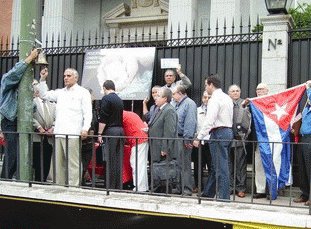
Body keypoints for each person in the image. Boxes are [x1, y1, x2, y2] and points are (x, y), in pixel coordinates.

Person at [37, 68, 92, 186]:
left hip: (73, 133)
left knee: (73, 163)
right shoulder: (60, 92)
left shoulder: (83, 92)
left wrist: (85, 128)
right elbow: (44, 95)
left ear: (76, 78)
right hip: (59, 132)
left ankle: (73, 188)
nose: (65, 78)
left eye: (69, 75)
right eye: (64, 76)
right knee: (58, 163)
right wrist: (43, 79)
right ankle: (59, 186)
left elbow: (88, 112)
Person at [0, 48, 39, 179]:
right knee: (12, 153)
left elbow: (31, 107)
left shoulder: (26, 89)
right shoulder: (7, 81)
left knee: (20, 153)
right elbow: (15, 74)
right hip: (10, 121)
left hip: (20, 122)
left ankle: (12, 178)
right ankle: (5, 179)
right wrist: (29, 59)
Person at [193, 75, 233, 200]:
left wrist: (199, 137)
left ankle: (223, 197)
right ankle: (208, 193)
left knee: (221, 167)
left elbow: (209, 120)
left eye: (206, 85)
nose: (206, 87)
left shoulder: (215, 99)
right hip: (227, 131)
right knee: (218, 165)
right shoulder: (227, 97)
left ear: (211, 85)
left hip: (218, 132)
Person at [242, 83, 270, 199]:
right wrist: (244, 105)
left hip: (269, 139)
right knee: (258, 166)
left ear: (267, 91)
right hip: (257, 140)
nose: (259, 91)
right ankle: (261, 190)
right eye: (257, 89)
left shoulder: (271, 102)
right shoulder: (252, 104)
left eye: (262, 89)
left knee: (271, 165)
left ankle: (271, 190)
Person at [148, 87, 179, 191]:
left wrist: (165, 148)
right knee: (159, 174)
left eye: (158, 96)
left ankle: (164, 194)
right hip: (155, 147)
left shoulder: (169, 110)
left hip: (162, 149)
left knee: (164, 176)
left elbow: (169, 132)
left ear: (165, 98)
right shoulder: (159, 109)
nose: (155, 98)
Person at [98, 80, 124, 190]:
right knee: (118, 160)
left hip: (111, 132)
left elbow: (103, 118)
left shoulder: (106, 98)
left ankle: (110, 186)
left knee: (109, 159)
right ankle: (118, 186)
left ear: (104, 88)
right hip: (120, 131)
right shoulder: (119, 99)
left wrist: (99, 133)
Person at [172, 85, 197, 196]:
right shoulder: (178, 104)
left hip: (184, 138)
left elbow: (190, 123)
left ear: (180, 93)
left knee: (185, 164)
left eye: (173, 94)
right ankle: (179, 187)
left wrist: (188, 139)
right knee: (178, 164)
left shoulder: (189, 104)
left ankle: (187, 189)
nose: (172, 96)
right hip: (178, 138)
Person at [228, 84, 251, 198]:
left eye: (237, 91)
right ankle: (231, 187)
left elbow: (249, 122)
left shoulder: (245, 104)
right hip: (227, 139)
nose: (235, 93)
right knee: (229, 165)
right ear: (229, 93)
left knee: (240, 166)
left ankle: (241, 188)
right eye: (233, 91)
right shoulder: (226, 103)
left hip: (240, 140)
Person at [32, 78, 56, 182]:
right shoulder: (32, 103)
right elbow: (29, 117)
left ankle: (43, 181)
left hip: (49, 140)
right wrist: (39, 128)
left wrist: (53, 128)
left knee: (47, 163)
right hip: (37, 139)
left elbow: (57, 117)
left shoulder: (53, 104)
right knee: (37, 163)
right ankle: (37, 181)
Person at [294, 80, 311, 205]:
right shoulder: (306, 109)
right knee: (303, 168)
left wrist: (308, 88)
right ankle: (304, 194)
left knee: (310, 168)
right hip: (303, 139)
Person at [122, 111, 149, 192]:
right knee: (140, 163)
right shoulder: (128, 114)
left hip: (138, 139)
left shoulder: (121, 116)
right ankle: (142, 186)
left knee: (137, 163)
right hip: (141, 138)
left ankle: (140, 188)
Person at [192, 91, 211, 193]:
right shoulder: (197, 110)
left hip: (211, 142)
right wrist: (195, 138)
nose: (206, 99)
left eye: (209, 97)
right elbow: (194, 125)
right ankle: (198, 186)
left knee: (211, 166)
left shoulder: (215, 110)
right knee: (198, 166)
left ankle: (210, 188)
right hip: (199, 142)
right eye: (204, 97)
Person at [81, 88, 99, 186]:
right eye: (92, 95)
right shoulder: (87, 108)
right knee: (83, 163)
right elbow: (91, 121)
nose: (93, 97)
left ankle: (82, 181)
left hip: (88, 140)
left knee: (84, 163)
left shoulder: (90, 108)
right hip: (86, 140)